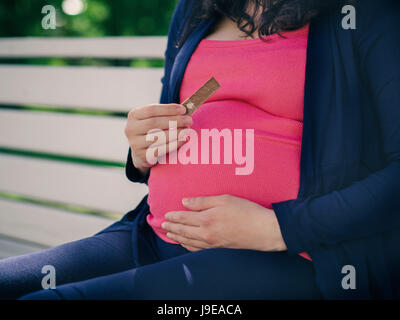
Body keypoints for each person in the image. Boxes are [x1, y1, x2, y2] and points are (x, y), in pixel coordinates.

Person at [1, 0, 399, 300]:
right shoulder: (197, 8)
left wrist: (278, 228)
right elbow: (172, 123)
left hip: (290, 258)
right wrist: (143, 150)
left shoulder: (364, 13)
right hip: (155, 236)